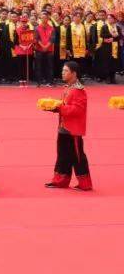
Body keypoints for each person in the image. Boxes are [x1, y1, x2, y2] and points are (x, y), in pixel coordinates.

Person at [45, 60, 92, 190]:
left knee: (77, 156)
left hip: (73, 129)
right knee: (62, 155)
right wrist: (54, 106)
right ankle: (60, 180)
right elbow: (64, 105)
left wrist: (59, 108)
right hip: (63, 127)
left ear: (74, 73)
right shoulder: (67, 88)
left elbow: (77, 110)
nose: (63, 73)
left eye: (66, 71)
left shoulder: (79, 90)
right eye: (62, 71)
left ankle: (85, 183)